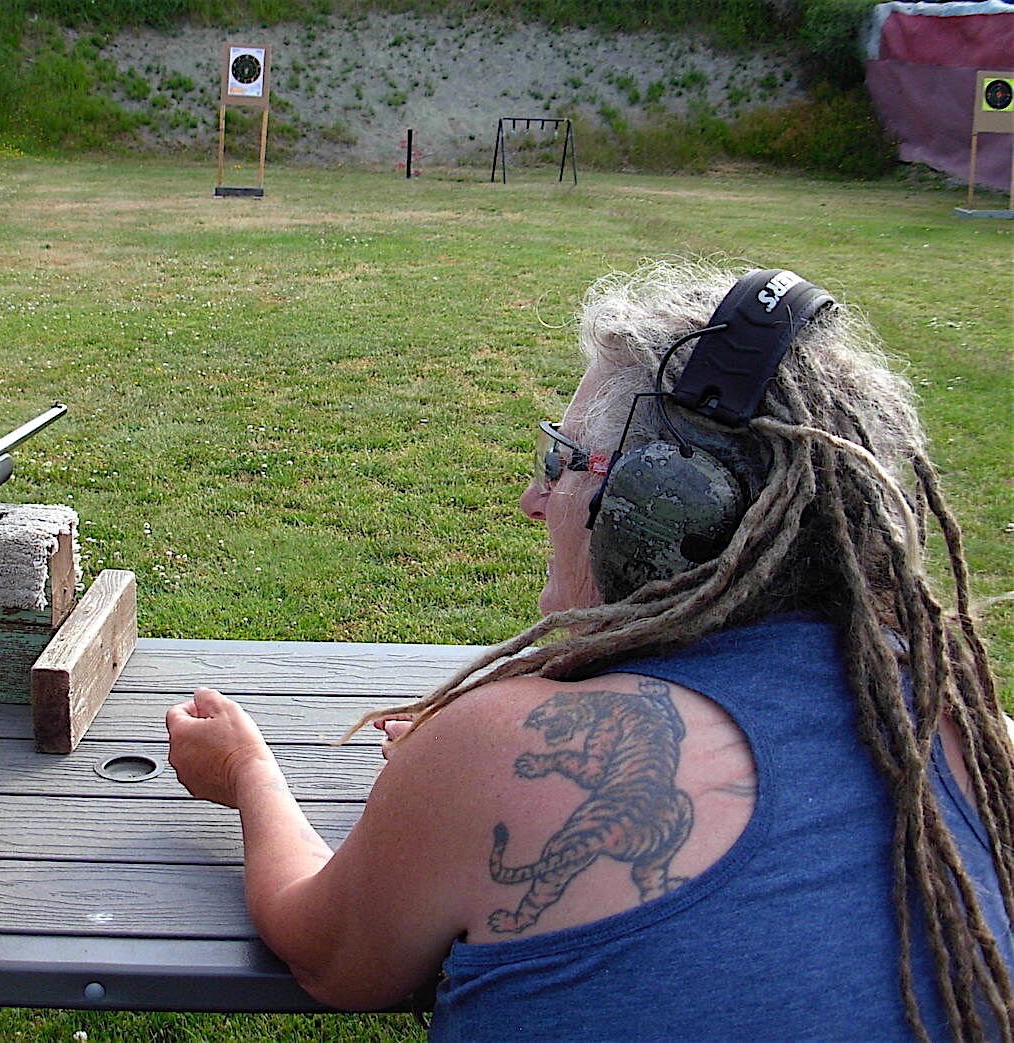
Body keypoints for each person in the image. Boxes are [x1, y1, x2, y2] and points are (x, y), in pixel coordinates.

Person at [166, 262, 1014, 1041]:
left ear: (667, 507)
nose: (535, 498)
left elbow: (325, 954)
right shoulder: (975, 734)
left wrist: (245, 771)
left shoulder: (496, 745)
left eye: (561, 461)